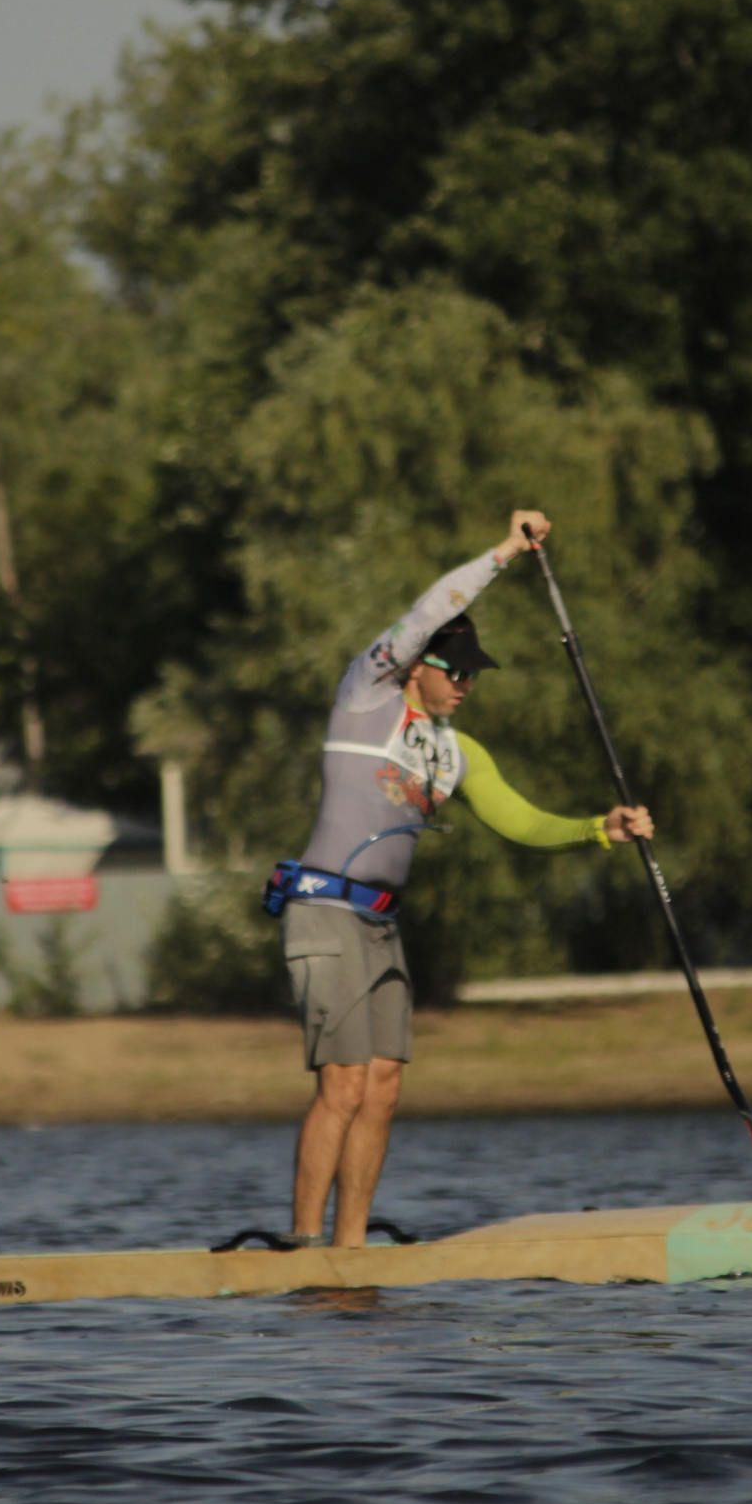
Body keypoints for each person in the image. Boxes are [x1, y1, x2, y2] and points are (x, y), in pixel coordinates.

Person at [270, 508, 653, 1249]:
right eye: (459, 668)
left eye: (477, 673)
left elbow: (520, 819)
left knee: (382, 1084)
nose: (470, 682)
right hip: (324, 914)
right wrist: (507, 551)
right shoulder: (366, 697)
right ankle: (300, 1245)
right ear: (418, 665)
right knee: (343, 1081)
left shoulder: (455, 753)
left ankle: (351, 1250)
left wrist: (598, 829)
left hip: (382, 925)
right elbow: (426, 612)